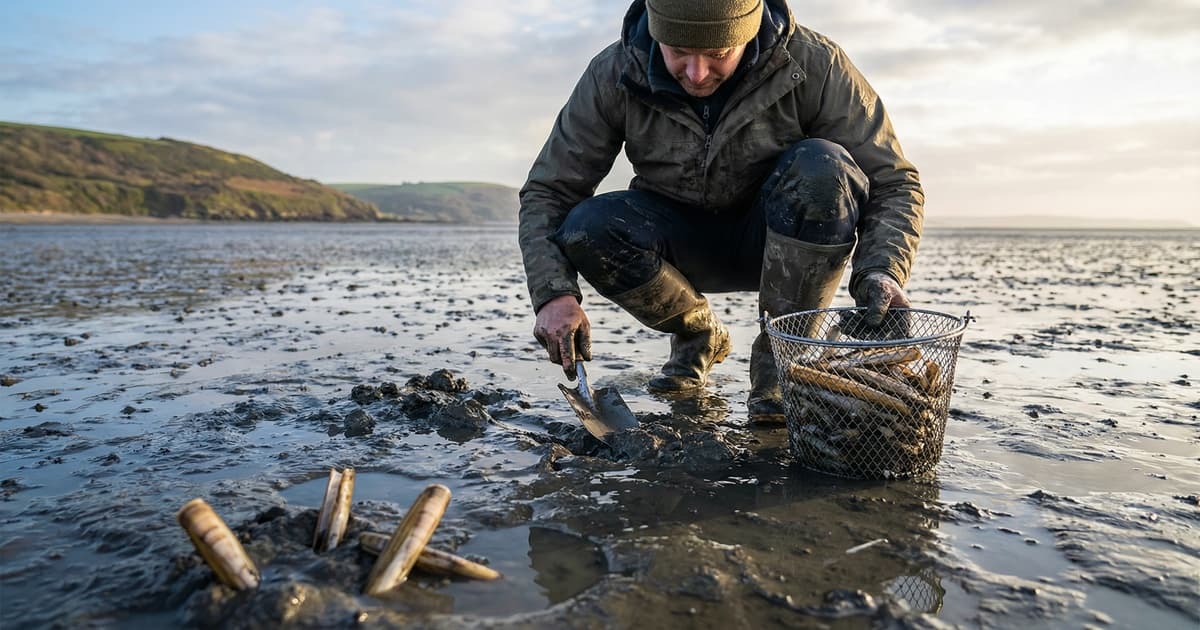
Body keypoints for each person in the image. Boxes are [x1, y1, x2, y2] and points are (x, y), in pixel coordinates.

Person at [518, 0, 923, 422]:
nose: (696, 74)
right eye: (678, 52)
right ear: (657, 34)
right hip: (679, 244)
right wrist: (554, 294)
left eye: (716, 55)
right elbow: (549, 191)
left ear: (746, 35)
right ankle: (698, 335)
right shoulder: (614, 71)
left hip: (779, 244)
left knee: (824, 168)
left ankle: (780, 367)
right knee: (588, 227)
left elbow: (893, 182)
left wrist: (882, 270)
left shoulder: (815, 63)